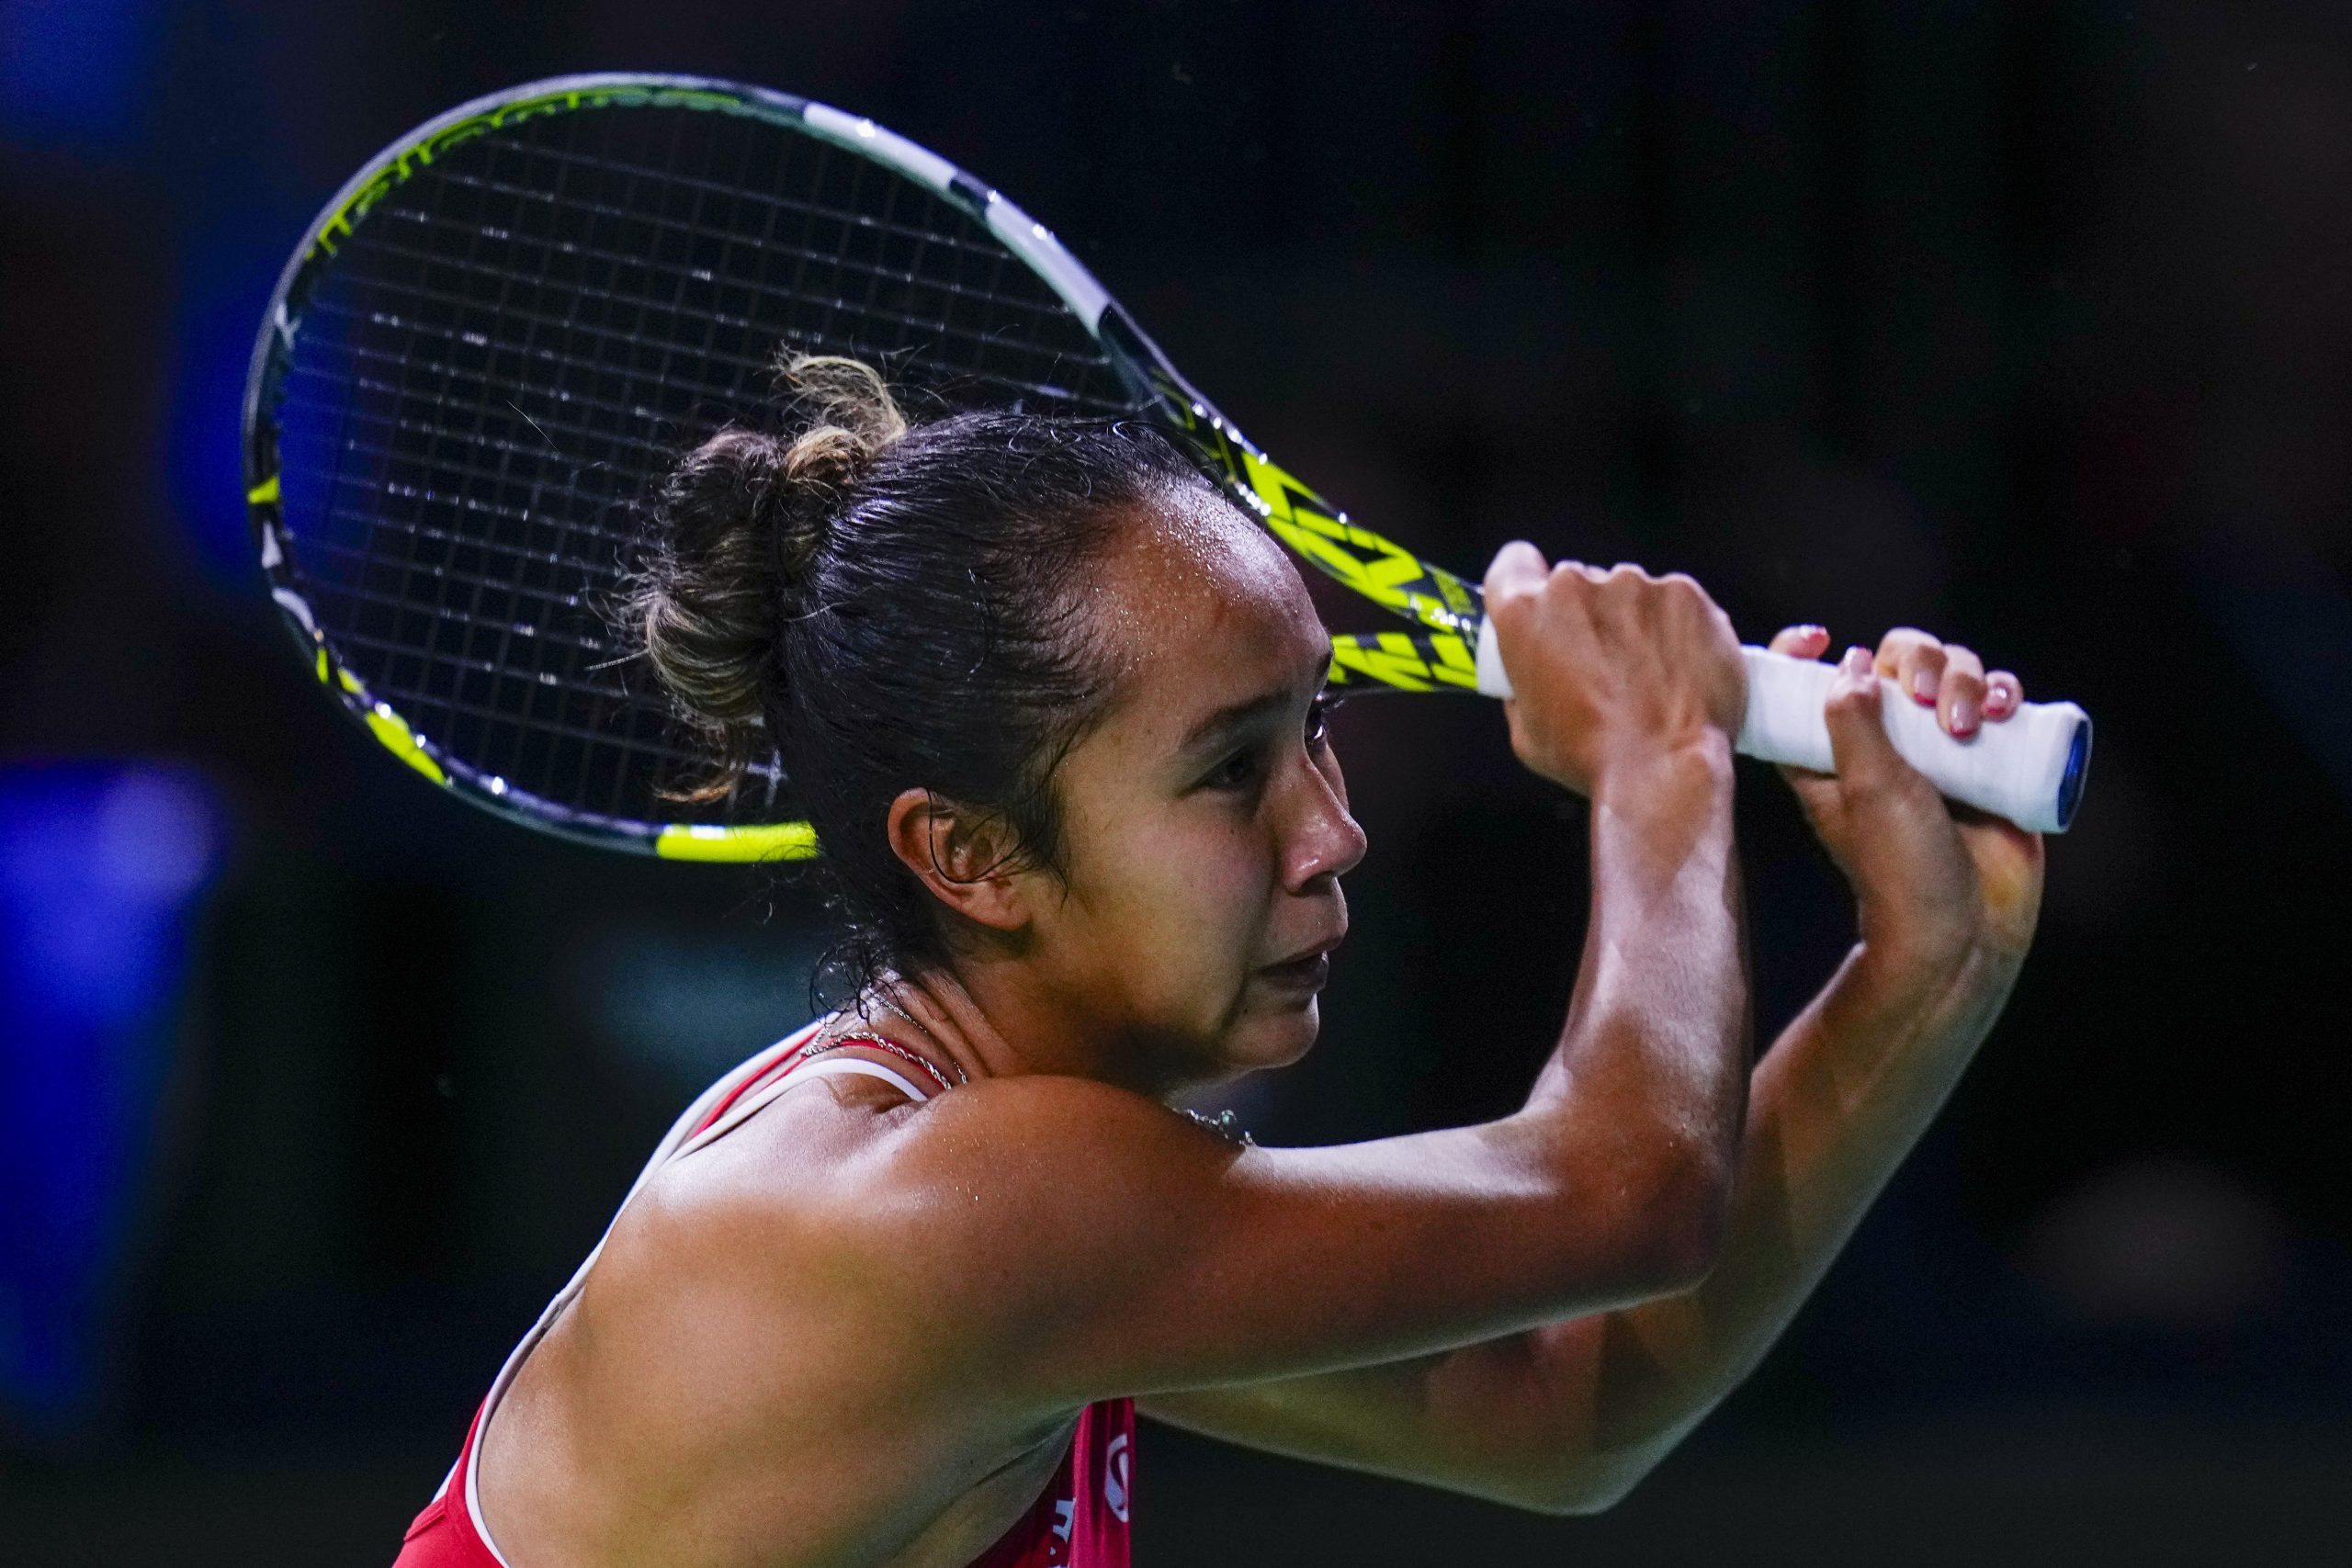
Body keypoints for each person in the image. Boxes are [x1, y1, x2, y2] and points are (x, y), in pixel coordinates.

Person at [391, 356, 2043, 1568]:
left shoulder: (1044, 1201)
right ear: (965, 853)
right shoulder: (946, 1217)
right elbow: (1632, 1194)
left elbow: (1565, 1412)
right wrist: (1658, 762)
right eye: (1228, 769)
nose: (1332, 834)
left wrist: (1929, 960)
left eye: (1315, 730)